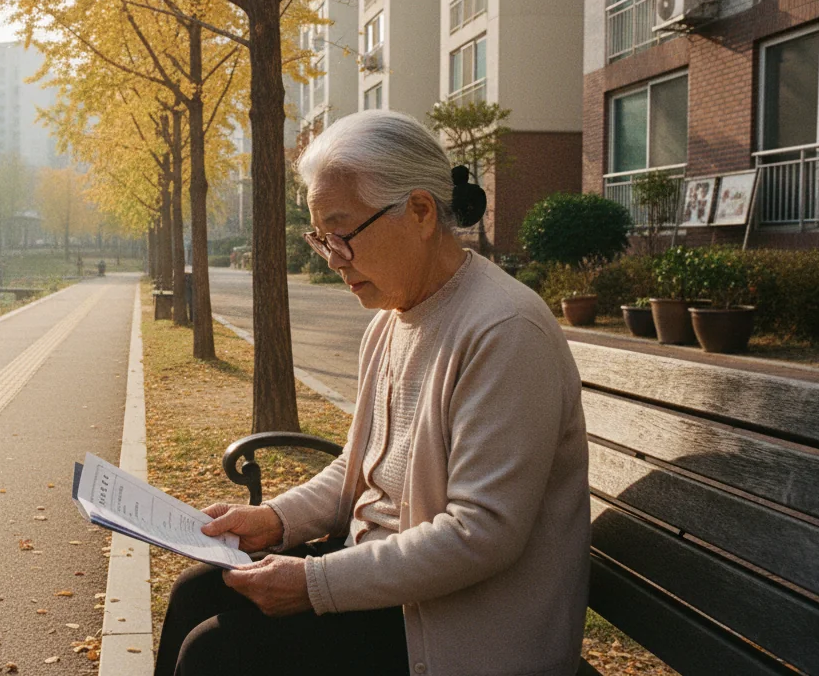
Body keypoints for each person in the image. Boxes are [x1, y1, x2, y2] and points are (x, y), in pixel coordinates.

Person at [155, 110, 590, 676]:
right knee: (198, 591)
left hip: (461, 629)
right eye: (320, 238)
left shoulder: (505, 331)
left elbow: (480, 534)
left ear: (419, 212)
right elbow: (356, 469)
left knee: (217, 654)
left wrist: (314, 583)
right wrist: (274, 521)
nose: (334, 258)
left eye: (344, 234)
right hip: (395, 588)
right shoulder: (391, 321)